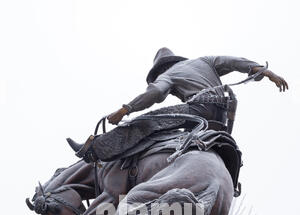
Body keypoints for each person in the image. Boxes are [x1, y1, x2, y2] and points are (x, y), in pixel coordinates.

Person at [67, 47, 288, 164]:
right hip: (219, 118)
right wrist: (264, 71)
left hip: (198, 110)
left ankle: (93, 148)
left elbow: (154, 92)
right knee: (180, 143)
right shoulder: (204, 61)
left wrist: (125, 109)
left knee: (144, 123)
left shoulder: (169, 74)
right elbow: (233, 62)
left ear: (160, 69)